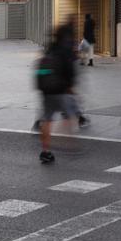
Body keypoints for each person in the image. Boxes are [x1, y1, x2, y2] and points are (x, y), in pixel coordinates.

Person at [37, 23, 78, 164]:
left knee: (47, 120)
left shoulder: (50, 47)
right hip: (60, 90)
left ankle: (45, 151)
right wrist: (70, 87)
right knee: (71, 116)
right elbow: (70, 71)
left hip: (46, 90)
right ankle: (65, 143)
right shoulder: (66, 49)